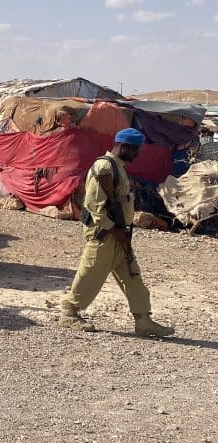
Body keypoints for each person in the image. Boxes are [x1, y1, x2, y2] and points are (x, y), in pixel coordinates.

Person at [58, 128, 175, 337]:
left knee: (132, 276)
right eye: (135, 150)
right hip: (105, 234)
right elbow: (95, 206)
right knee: (91, 272)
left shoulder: (118, 167)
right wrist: (114, 230)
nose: (136, 155)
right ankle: (69, 313)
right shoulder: (105, 167)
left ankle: (143, 320)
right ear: (124, 147)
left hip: (119, 233)